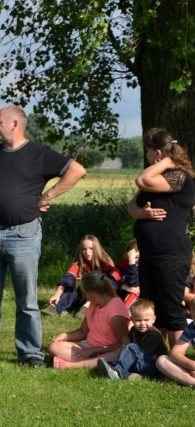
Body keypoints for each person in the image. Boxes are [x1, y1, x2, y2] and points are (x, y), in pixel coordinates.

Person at [0, 105, 86, 367]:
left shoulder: (38, 154)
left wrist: (47, 196)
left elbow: (77, 170)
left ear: (14, 124)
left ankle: (30, 353)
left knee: (26, 298)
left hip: (24, 234)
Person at [128, 127, 195, 347]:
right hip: (149, 254)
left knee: (172, 308)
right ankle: (154, 354)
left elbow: (142, 180)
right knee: (153, 305)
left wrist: (167, 161)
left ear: (157, 153)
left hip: (171, 254)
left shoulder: (178, 176)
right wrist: (141, 213)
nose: (147, 157)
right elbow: (131, 204)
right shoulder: (160, 178)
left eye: (148, 152)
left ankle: (177, 360)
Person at [48, 271, 130, 370]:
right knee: (54, 347)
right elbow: (83, 331)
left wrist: (94, 350)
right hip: (90, 346)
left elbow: (122, 343)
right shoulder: (94, 304)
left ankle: (77, 364)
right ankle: (92, 362)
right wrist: (65, 335)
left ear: (91, 293)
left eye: (85, 294)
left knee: (116, 354)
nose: (85, 297)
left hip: (108, 351)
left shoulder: (116, 313)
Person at [43, 234, 117, 317]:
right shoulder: (78, 264)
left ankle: (86, 309)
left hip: (96, 297)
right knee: (71, 283)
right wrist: (56, 294)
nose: (87, 252)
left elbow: (111, 283)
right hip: (79, 296)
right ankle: (54, 307)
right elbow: (67, 279)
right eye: (84, 249)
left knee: (101, 283)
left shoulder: (106, 263)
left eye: (91, 249)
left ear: (96, 249)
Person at [96, 299, 168, 380]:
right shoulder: (134, 329)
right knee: (127, 350)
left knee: (132, 347)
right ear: (132, 320)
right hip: (141, 363)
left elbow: (140, 355)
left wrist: (128, 343)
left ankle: (117, 373)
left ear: (153, 319)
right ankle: (126, 373)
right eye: (138, 320)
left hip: (154, 367)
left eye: (146, 320)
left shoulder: (154, 335)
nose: (142, 324)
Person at [156, 318, 195, 386]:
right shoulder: (191, 328)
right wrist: (192, 365)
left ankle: (179, 378)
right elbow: (175, 353)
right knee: (162, 360)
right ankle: (192, 383)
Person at [114, 240, 140, 307]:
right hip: (121, 300)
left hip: (138, 303)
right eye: (136, 257)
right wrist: (123, 286)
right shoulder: (121, 267)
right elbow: (110, 281)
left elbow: (134, 283)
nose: (138, 260)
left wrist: (132, 264)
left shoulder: (145, 268)